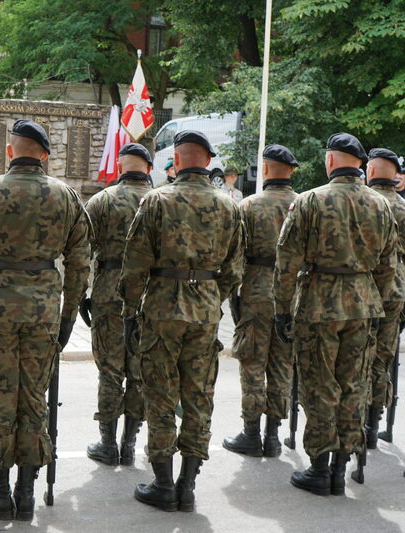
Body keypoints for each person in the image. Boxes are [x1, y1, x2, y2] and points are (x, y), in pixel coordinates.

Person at [0, 119, 90, 521]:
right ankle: (26, 493)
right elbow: (80, 264)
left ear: (10, 152)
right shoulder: (66, 197)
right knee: (33, 400)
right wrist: (68, 316)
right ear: (44, 154)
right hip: (44, 310)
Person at [119, 130, 243, 512]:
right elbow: (234, 270)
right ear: (207, 161)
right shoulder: (229, 205)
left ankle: (162, 483)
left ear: (175, 160)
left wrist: (129, 312)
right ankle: (187, 485)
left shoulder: (156, 201)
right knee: (198, 396)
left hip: (161, 307)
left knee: (159, 395)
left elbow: (135, 264)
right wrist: (209, 296)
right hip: (204, 310)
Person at [274, 133, 396, 497]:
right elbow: (389, 267)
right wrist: (382, 305)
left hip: (318, 303)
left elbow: (286, 261)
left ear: (330, 161)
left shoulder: (310, 201)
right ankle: (342, 466)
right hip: (363, 304)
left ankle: (320, 467)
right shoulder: (380, 204)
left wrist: (282, 309)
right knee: (353, 385)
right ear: (360, 164)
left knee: (318, 386)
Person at [223, 144, 299, 458]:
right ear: (291, 171)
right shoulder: (304, 204)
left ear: (265, 169)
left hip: (255, 289)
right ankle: (273, 435)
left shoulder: (249, 206)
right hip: (292, 293)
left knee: (253, 361)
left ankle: (251, 432)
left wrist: (232, 296)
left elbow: (235, 254)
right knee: (282, 363)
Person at [81, 143, 152, 467]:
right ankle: (129, 442)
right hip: (149, 296)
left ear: (121, 165)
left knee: (110, 371)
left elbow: (81, 252)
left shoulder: (102, 201)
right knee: (138, 373)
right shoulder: (159, 201)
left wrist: (81, 294)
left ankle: (107, 443)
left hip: (109, 293)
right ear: (148, 167)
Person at [364, 148, 405, 450]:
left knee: (354, 359)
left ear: (370, 170)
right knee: (383, 359)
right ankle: (373, 424)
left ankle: (350, 421)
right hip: (396, 291)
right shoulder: (402, 208)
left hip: (361, 289)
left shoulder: (365, 204)